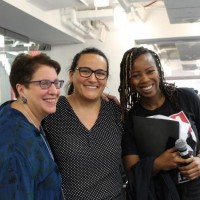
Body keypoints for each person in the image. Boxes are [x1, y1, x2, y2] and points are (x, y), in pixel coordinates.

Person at [42, 47, 125, 199]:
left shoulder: (116, 112)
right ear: (71, 74)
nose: (93, 79)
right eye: (85, 71)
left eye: (100, 73)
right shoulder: (52, 110)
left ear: (106, 79)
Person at [119, 46, 200, 199]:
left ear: (159, 71)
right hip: (161, 194)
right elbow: (131, 172)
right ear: (128, 81)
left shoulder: (186, 98)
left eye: (150, 71)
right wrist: (158, 163)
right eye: (136, 75)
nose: (144, 79)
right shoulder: (130, 119)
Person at [0, 53, 65, 199]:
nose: (54, 91)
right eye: (44, 83)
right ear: (22, 89)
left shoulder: (22, 116)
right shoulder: (15, 143)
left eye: (56, 83)